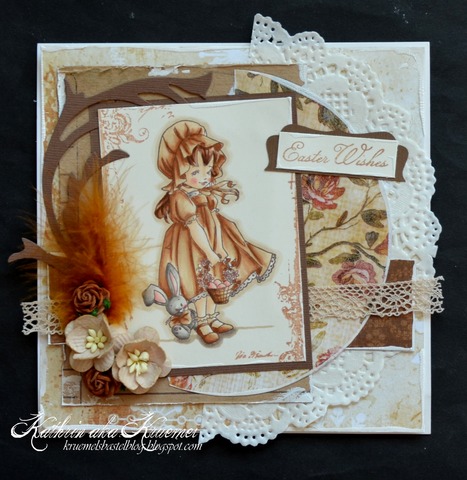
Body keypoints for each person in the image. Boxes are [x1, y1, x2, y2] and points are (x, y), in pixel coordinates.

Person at [153, 120, 275, 344]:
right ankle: (202, 322)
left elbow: (215, 222)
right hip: (190, 245)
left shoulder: (204, 194)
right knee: (198, 281)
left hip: (209, 240)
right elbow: (194, 227)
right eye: (196, 171)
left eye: (208, 171)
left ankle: (211, 317)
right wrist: (208, 252)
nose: (204, 177)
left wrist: (218, 246)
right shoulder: (180, 197)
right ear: (180, 171)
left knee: (213, 281)